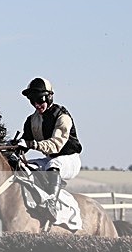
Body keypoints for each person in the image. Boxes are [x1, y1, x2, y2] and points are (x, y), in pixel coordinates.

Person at [16, 77, 83, 220]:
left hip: (69, 159)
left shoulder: (62, 117)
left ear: (49, 97)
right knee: (26, 166)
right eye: (32, 101)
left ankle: (51, 204)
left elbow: (54, 146)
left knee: (54, 165)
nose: (36, 105)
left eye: (40, 100)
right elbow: (25, 142)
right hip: (50, 158)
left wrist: (32, 144)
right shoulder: (32, 120)